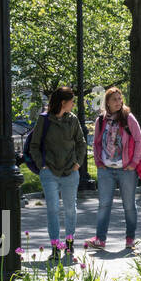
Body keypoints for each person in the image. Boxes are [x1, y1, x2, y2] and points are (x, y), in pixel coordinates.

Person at [30, 85, 86, 260]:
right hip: (50, 172)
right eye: (72, 101)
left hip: (70, 171)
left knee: (70, 209)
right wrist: (41, 165)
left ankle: (69, 244)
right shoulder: (44, 120)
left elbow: (81, 143)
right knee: (52, 210)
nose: (73, 104)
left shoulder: (73, 120)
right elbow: (34, 145)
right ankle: (55, 247)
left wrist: (78, 163)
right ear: (64, 102)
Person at [88, 86, 141, 251]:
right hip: (105, 169)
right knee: (104, 204)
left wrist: (133, 163)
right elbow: (96, 143)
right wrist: (98, 162)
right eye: (114, 100)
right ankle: (100, 239)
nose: (118, 102)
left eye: (120, 99)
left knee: (129, 205)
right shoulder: (101, 120)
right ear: (107, 102)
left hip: (126, 169)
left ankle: (130, 238)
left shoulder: (129, 118)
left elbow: (139, 141)